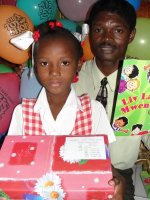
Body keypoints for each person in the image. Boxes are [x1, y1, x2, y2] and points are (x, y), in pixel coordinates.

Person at [7, 20, 124, 199]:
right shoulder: (22, 113)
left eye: (65, 63)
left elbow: (105, 163)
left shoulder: (94, 111)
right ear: (35, 67)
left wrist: (116, 180)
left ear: (78, 65)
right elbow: (13, 165)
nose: (54, 72)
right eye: (45, 63)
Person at [73, 0, 150, 199]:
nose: (106, 39)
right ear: (90, 32)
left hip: (119, 176)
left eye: (117, 30)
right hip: (72, 167)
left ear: (131, 35)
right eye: (99, 29)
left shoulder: (142, 83)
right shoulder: (70, 76)